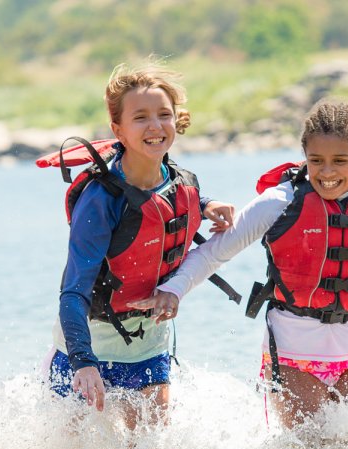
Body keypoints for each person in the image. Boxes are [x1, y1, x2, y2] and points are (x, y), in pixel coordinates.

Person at [132, 99, 348, 445]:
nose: (327, 173)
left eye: (340, 161)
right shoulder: (279, 203)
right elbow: (212, 254)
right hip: (293, 356)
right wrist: (173, 290)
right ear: (304, 156)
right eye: (316, 161)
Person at [49, 63, 235, 427]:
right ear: (117, 129)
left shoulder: (184, 183)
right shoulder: (100, 200)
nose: (155, 126)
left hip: (148, 342)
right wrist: (83, 362)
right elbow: (72, 292)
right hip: (89, 341)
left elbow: (162, 204)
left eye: (164, 114)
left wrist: (206, 205)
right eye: (140, 117)